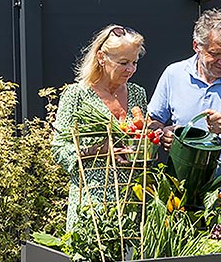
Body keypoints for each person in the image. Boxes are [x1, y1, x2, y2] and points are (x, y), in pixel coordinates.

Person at [53, 25, 160, 232]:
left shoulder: (138, 93)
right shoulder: (77, 95)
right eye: (123, 63)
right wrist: (97, 151)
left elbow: (140, 137)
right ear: (101, 57)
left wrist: (147, 143)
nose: (131, 69)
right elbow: (59, 149)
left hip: (133, 205)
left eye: (134, 62)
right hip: (91, 206)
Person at [147, 9, 221, 162]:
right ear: (196, 46)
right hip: (179, 182)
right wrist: (163, 133)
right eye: (215, 54)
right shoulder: (173, 74)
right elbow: (151, 122)